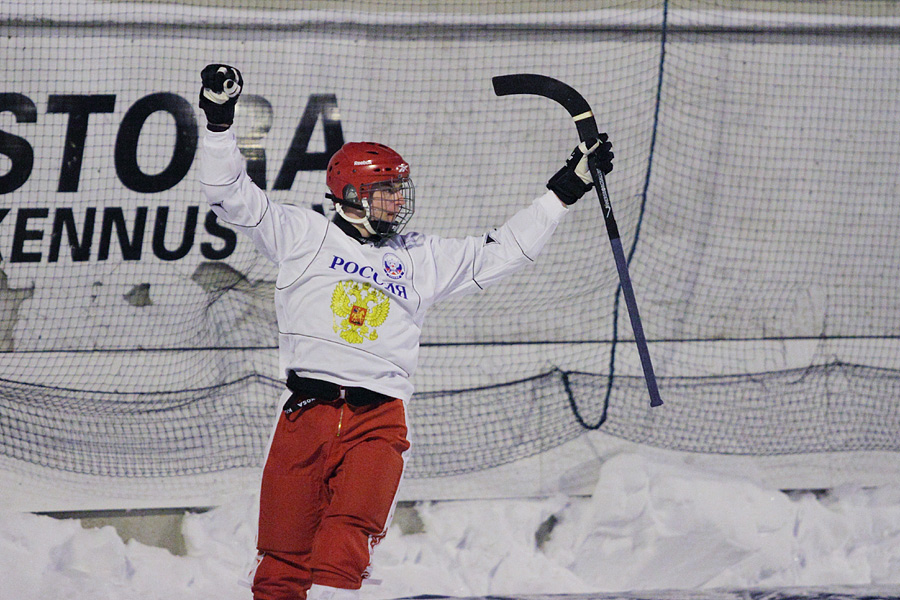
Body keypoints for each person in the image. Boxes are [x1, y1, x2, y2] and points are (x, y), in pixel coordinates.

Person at [197, 64, 613, 600]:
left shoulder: (418, 256)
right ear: (351, 191)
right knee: (281, 562)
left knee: (343, 547)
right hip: (306, 415)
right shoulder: (301, 234)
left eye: (400, 190)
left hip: (378, 420)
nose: (400, 201)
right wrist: (217, 118)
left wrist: (564, 191)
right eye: (387, 191)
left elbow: (504, 250)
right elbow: (226, 192)